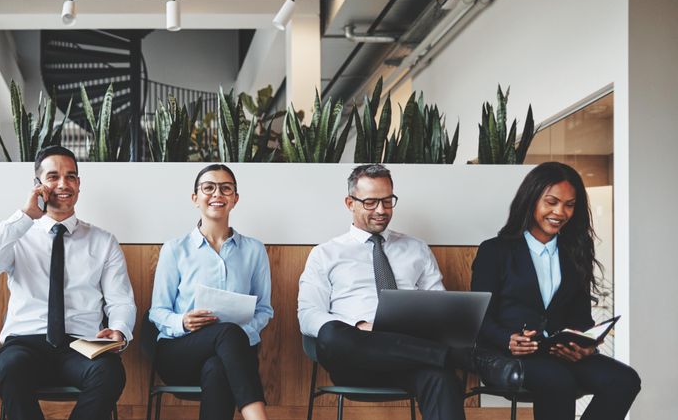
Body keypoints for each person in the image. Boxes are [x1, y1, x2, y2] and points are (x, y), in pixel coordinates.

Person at [297, 164, 523, 420]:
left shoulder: (416, 249)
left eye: (387, 201)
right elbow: (308, 316)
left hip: (412, 360)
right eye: (370, 202)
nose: (381, 210)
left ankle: (449, 358)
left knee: (440, 377)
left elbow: (441, 308)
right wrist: (358, 326)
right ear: (350, 203)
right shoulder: (325, 254)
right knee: (331, 334)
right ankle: (466, 359)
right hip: (356, 359)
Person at [0, 145, 136, 420]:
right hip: (25, 343)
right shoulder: (18, 234)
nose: (63, 184)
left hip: (82, 345)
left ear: (79, 185)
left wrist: (119, 329)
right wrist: (24, 216)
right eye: (53, 176)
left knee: (110, 372)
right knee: (10, 366)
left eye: (71, 177)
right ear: (38, 185)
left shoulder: (103, 241)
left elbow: (121, 300)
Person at [471, 162, 639, 419]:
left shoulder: (575, 252)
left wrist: (586, 347)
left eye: (569, 205)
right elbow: (479, 318)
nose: (560, 212)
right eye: (551, 202)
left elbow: (582, 319)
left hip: (558, 353)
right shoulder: (495, 251)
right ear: (531, 200)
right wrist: (508, 339)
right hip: (510, 354)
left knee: (624, 379)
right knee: (558, 380)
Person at [149, 164, 273, 420]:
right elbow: (157, 311)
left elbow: (264, 310)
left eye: (226, 188)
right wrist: (182, 321)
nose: (217, 193)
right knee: (227, 334)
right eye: (209, 188)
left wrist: (241, 334)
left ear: (235, 199)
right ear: (195, 198)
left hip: (231, 356)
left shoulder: (254, 250)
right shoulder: (174, 249)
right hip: (180, 352)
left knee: (218, 364)